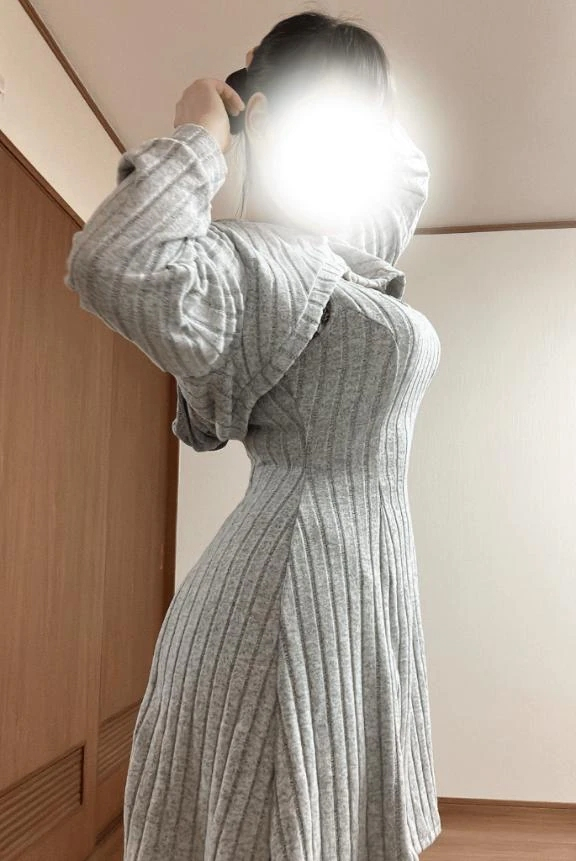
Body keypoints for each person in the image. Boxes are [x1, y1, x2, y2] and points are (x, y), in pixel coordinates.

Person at [64, 11, 442, 861]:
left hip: (358, 578)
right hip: (286, 595)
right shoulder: (245, 263)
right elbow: (112, 261)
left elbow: (407, 170)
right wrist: (208, 128)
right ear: (267, 121)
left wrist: (307, 77)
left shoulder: (346, 254)